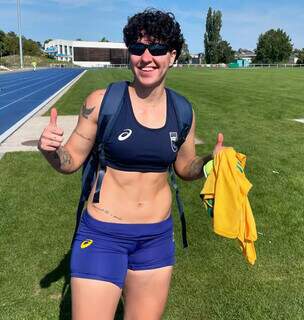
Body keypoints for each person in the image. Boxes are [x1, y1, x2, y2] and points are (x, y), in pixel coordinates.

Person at [38, 8, 224, 320]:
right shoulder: (102, 101)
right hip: (103, 235)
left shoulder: (182, 110)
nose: (147, 57)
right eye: (138, 49)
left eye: (158, 49)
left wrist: (209, 161)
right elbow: (69, 162)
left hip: (156, 239)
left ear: (173, 56)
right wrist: (50, 151)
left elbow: (185, 166)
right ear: (130, 54)